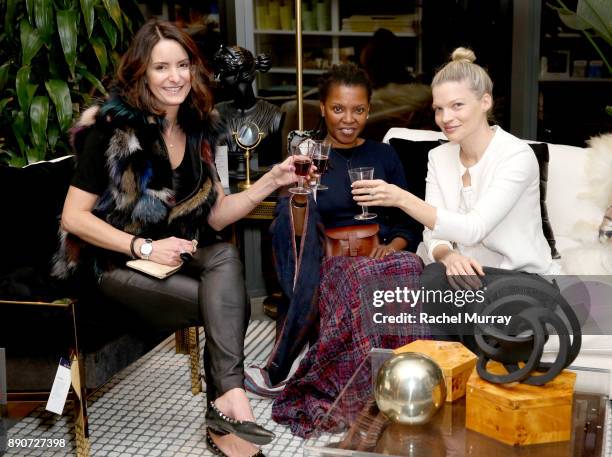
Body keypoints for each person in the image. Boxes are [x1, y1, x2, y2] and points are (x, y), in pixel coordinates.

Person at [52, 20, 300, 457]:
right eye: (161, 67)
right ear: (141, 73)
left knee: (223, 258)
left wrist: (271, 182)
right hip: (109, 264)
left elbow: (219, 214)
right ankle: (229, 407)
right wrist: (143, 247)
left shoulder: (200, 126)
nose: (175, 77)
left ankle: (226, 405)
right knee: (228, 301)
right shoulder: (112, 131)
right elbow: (74, 218)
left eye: (182, 65)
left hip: (173, 254)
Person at [248, 64, 427, 437]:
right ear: (323, 109)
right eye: (339, 109)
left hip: (378, 257)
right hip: (327, 263)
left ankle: (393, 374)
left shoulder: (384, 156)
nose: (349, 119)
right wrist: (302, 190)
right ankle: (319, 373)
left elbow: (407, 223)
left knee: (409, 263)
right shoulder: (309, 158)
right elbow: (295, 230)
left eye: (358, 110)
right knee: (300, 216)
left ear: (368, 109)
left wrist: (390, 246)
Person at [351, 47, 559, 350]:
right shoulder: (439, 157)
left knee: (431, 284)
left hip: (521, 282)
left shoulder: (516, 156)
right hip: (462, 281)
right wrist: (448, 256)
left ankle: (455, 374)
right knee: (411, 282)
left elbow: (474, 228)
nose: (445, 118)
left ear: (485, 101)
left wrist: (401, 198)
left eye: (457, 105)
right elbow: (432, 234)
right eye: (438, 109)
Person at [213, 45, 284, 177]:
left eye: (224, 73)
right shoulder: (217, 113)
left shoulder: (273, 115)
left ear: (241, 74)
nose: (218, 79)